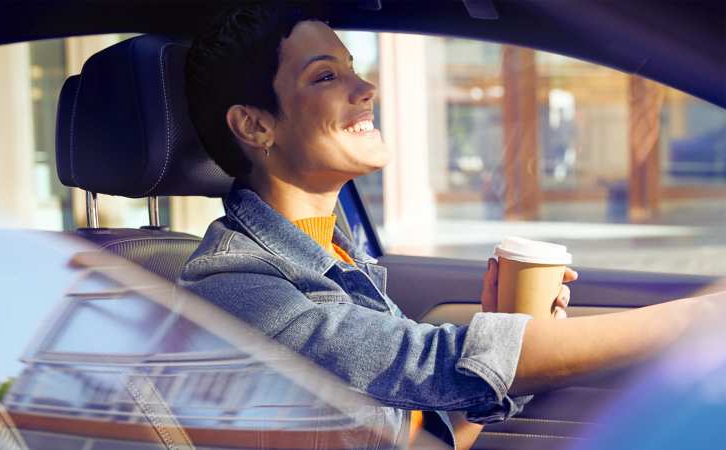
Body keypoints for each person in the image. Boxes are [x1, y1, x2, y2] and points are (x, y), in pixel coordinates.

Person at [177, 2, 723, 448]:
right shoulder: (233, 284)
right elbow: (424, 361)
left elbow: (427, 436)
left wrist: (509, 329)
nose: (365, 89)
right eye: (326, 76)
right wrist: (702, 318)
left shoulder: (340, 259)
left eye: (353, 68)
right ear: (254, 124)